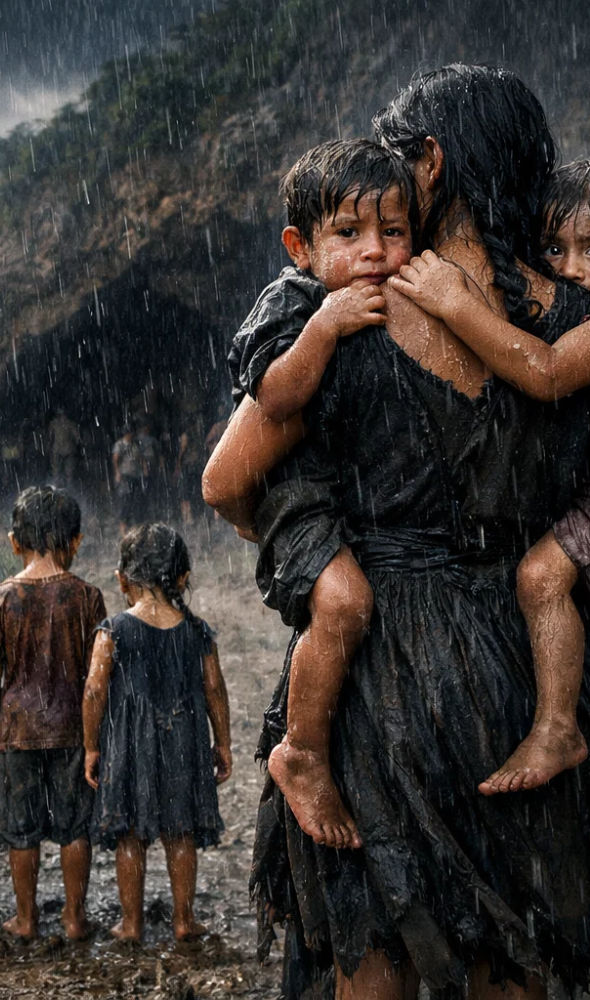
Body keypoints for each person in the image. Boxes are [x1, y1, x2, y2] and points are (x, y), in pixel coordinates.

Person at [205, 65, 590, 999]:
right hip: (525, 671)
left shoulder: (346, 308)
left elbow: (224, 484)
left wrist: (321, 542)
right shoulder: (576, 321)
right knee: (517, 959)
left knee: (374, 956)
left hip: (377, 678)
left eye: (396, 154)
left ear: (430, 162)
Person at [393, 159, 590, 794]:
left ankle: (557, 728)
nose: (571, 269)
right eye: (555, 249)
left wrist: (454, 302)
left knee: (539, 575)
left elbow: (545, 373)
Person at [222, 139, 415, 848]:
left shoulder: (389, 295)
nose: (374, 251)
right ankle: (300, 750)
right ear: (300, 246)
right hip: (296, 491)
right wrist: (324, 328)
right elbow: (275, 397)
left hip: (341, 490)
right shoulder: (294, 301)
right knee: (345, 602)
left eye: (392, 232)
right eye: (349, 233)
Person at [82, 524, 232, 943]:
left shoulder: (112, 630)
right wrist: (223, 742)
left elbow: (94, 689)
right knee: (180, 830)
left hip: (129, 742)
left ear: (122, 579)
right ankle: (184, 921)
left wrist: (91, 746)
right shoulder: (198, 631)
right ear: (182, 577)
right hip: (184, 737)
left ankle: (131, 924)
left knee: (130, 833)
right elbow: (215, 689)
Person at [0, 485, 105, 942]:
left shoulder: (0, 598)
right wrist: (95, 737)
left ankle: (25, 918)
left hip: (19, 727)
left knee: (22, 827)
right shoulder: (86, 597)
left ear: (15, 541)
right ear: (75, 540)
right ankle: (73, 917)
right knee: (74, 827)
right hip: (71, 726)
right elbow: (96, 675)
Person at [112, 425, 145, 534]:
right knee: (124, 500)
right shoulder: (120, 445)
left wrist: (143, 468)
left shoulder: (134, 444)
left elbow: (140, 457)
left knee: (134, 499)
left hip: (134, 475)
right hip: (125, 476)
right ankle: (123, 527)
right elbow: (115, 459)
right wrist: (117, 472)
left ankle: (134, 526)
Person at [47, 408, 81, 487]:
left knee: (68, 473)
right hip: (57, 451)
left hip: (67, 451)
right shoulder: (53, 424)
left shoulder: (70, 424)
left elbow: (77, 438)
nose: (62, 417)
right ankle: (56, 490)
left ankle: (68, 490)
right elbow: (49, 437)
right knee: (56, 473)